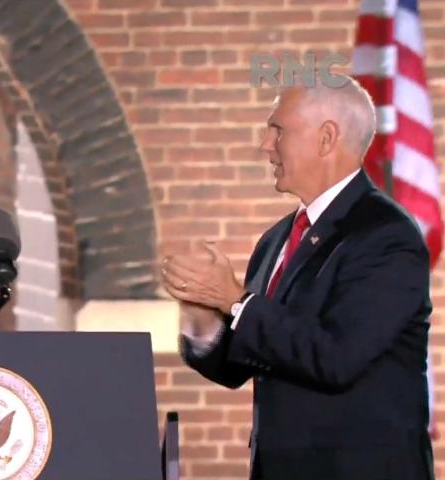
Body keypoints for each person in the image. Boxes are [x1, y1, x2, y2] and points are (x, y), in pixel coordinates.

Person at [161, 75, 435, 480]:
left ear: (327, 138)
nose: (265, 145)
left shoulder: (387, 236)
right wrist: (202, 313)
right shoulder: (277, 240)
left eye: (278, 130)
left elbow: (337, 357)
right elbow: (240, 364)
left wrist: (235, 300)